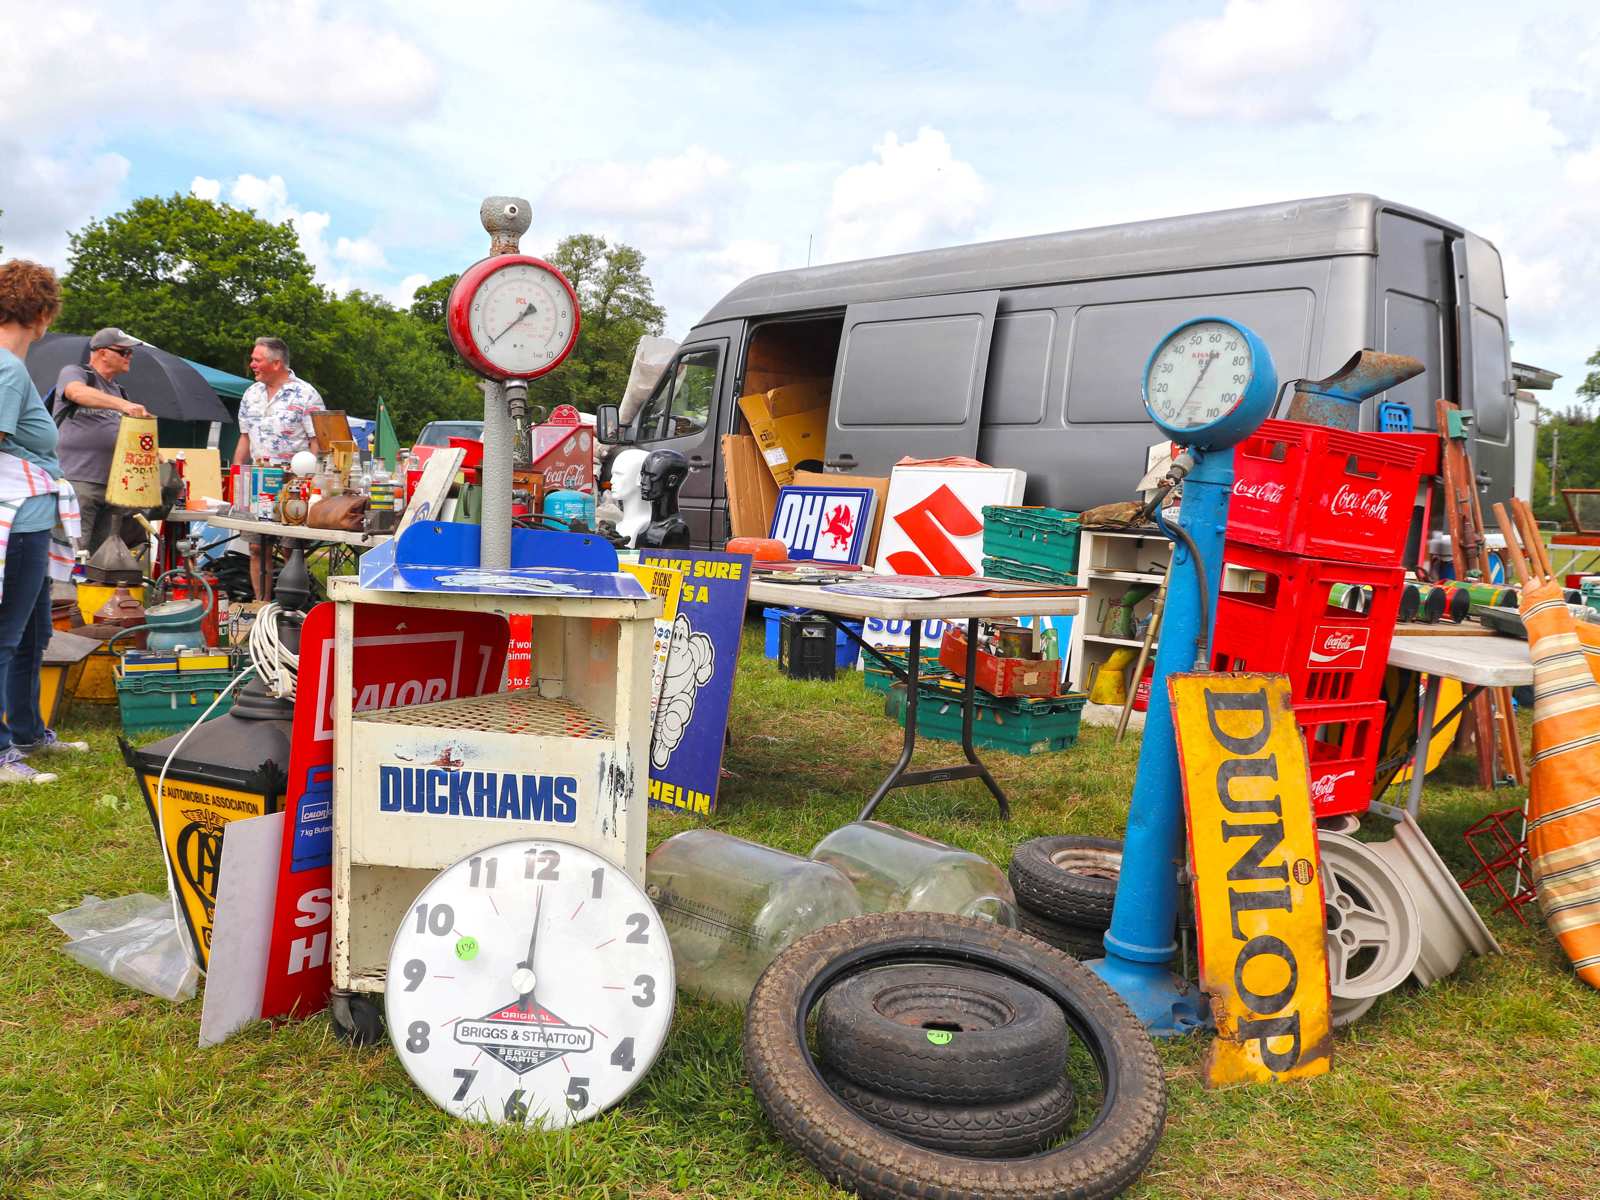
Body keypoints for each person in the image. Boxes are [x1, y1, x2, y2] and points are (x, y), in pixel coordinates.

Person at [0, 261, 86, 784]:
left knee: (33, 634)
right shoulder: (8, 368)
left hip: (34, 516)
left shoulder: (11, 366)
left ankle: (29, 730)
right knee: (7, 637)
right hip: (20, 520)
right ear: (42, 312)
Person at [233, 336, 324, 597]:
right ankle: (262, 605)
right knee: (256, 546)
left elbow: (316, 440)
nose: (252, 364)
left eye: (257, 359)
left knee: (290, 548)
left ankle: (290, 606)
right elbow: (244, 436)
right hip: (257, 481)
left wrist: (308, 482)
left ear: (276, 363)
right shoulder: (251, 394)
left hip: (291, 484)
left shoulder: (306, 394)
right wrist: (237, 475)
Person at [53, 327, 151, 555]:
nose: (130, 357)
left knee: (101, 561)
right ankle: (65, 592)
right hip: (77, 481)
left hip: (114, 488)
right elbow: (76, 393)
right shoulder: (76, 373)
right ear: (102, 352)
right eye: (123, 352)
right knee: (71, 556)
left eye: (130, 353)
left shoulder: (120, 391)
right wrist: (123, 406)